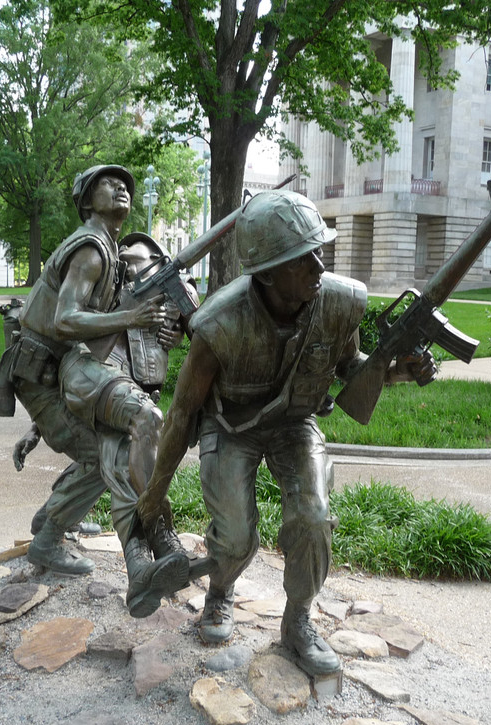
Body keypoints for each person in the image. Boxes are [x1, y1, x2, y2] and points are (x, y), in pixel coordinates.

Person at [137, 189, 435, 675]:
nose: (319, 266)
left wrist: (396, 369)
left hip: (295, 423)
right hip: (231, 427)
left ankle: (297, 620)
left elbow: (350, 367)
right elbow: (182, 412)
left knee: (313, 516)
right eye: (304, 259)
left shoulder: (337, 301)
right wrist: (154, 495)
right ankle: (220, 590)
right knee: (234, 538)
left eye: (320, 252)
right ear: (269, 271)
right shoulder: (219, 324)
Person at [0, 164, 189, 617]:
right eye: (109, 183)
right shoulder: (92, 250)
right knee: (110, 457)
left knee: (104, 455)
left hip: (49, 371)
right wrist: (130, 318)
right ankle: (60, 540)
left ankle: (49, 527)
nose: (121, 187)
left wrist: (161, 329)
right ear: (87, 200)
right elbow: (65, 320)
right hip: (40, 374)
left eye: (126, 184)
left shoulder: (107, 251)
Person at [12, 232, 197, 568]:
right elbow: (76, 366)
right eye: (126, 264)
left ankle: (51, 520)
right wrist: (36, 429)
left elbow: (191, 325)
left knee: (101, 456)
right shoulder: (109, 308)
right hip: (86, 392)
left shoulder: (156, 309)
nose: (130, 269)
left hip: (114, 397)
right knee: (108, 461)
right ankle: (52, 537)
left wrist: (179, 333)